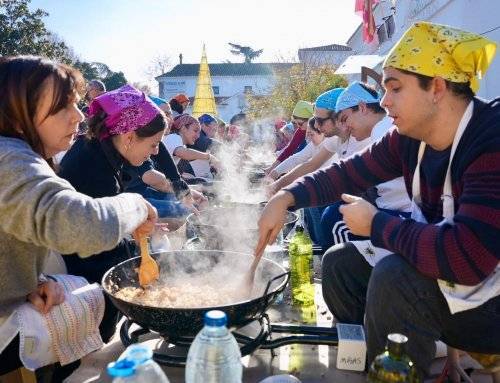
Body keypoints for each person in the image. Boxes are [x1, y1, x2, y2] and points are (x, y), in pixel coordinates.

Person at [256, 22, 499, 376]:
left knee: (395, 278)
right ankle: (371, 359)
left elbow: (468, 257)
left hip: (489, 299)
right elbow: (346, 173)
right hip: (458, 282)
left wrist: (376, 224)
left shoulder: (490, 140)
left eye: (395, 88)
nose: (383, 102)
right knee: (340, 264)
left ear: (438, 88)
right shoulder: (409, 137)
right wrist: (285, 197)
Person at [0, 56, 156, 381]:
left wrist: (30, 282)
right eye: (62, 107)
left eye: (76, 103)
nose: (80, 116)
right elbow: (80, 226)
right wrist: (137, 206)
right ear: (17, 114)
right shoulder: (11, 158)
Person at [58, 84, 165, 343]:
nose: (156, 152)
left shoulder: (96, 148)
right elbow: (97, 247)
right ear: (128, 137)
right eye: (153, 144)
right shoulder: (94, 167)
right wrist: (139, 251)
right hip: (80, 276)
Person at [318, 81, 411, 252]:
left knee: (335, 220)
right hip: (393, 211)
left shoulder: (385, 131)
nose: (345, 128)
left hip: (404, 216)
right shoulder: (381, 132)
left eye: (345, 119)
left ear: (362, 107)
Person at [162, 114, 220, 182]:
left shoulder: (182, 145)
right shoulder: (174, 137)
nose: (198, 136)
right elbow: (183, 153)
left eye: (199, 132)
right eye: (195, 131)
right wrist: (209, 157)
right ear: (183, 128)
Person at [265, 100, 314, 174]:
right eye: (295, 123)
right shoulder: (301, 129)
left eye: (300, 123)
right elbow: (290, 149)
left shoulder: (321, 134)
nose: (298, 127)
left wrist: (276, 171)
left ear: (310, 120)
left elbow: (302, 157)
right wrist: (272, 167)